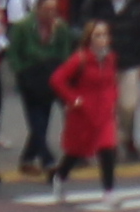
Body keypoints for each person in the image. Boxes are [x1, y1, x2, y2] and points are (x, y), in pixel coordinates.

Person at [48, 13, 123, 196]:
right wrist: (74, 98)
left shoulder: (110, 58)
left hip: (104, 112)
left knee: (108, 149)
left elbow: (112, 82)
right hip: (84, 113)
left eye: (105, 34)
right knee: (76, 152)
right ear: (89, 38)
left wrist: (113, 98)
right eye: (98, 35)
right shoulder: (80, 59)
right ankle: (60, 175)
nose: (103, 39)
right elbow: (57, 79)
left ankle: (109, 191)